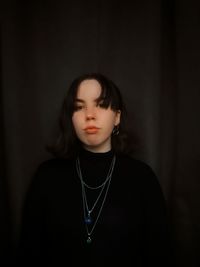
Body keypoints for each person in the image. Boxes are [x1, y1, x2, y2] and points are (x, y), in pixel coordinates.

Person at [17, 73, 174, 266]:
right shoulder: (46, 177)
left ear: (117, 117)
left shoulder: (142, 178)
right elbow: (29, 252)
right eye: (79, 107)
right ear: (71, 118)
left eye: (100, 104)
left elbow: (160, 255)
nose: (89, 114)